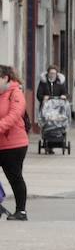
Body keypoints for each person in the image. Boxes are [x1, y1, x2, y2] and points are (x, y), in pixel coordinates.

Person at [0, 66, 29, 220]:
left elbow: (13, 115)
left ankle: (21, 211)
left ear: (5, 78)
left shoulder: (15, 93)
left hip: (14, 145)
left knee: (14, 177)